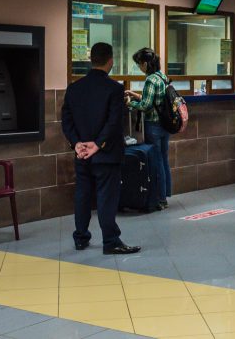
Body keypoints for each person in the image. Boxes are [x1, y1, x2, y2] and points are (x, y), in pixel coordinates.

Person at [61, 43, 140, 255]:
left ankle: (80, 237)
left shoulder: (74, 88)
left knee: (83, 195)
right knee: (107, 197)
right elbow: (114, 122)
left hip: (82, 154)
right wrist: (98, 144)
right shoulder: (114, 89)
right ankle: (111, 241)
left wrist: (77, 144)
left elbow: (66, 120)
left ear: (91, 60)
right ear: (110, 61)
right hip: (106, 154)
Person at [125, 48, 171, 210]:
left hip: (154, 126)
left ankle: (160, 199)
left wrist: (130, 102)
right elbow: (155, 100)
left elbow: (146, 106)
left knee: (157, 162)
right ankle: (165, 195)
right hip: (165, 125)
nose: (139, 67)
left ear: (145, 63)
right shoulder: (162, 77)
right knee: (164, 160)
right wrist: (136, 94)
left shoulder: (151, 80)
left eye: (139, 64)